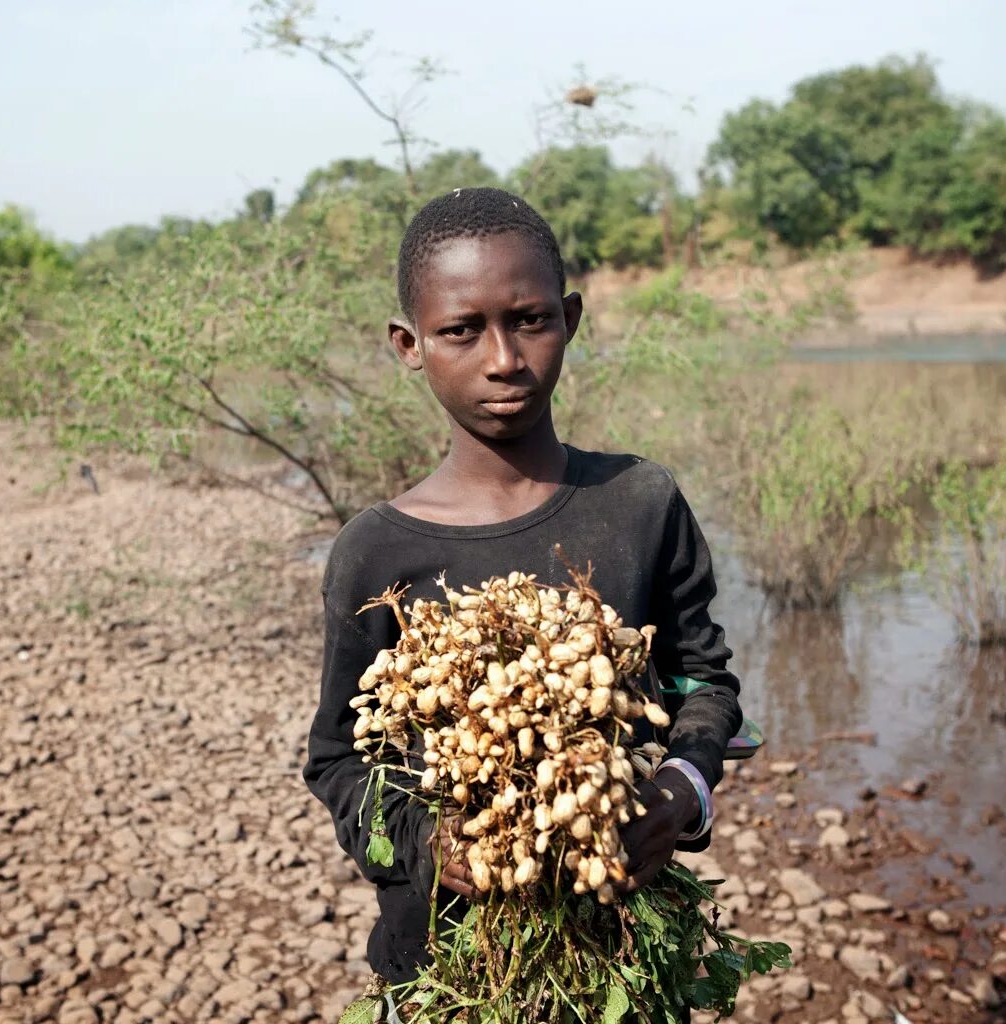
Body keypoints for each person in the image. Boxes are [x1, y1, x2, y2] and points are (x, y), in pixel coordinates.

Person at [302, 187, 743, 993]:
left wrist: (682, 791)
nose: (503, 358)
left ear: (569, 319)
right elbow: (338, 761)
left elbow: (702, 682)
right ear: (408, 344)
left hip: (619, 956)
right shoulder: (376, 552)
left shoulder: (640, 503)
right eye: (461, 330)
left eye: (530, 320)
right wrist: (426, 843)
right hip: (443, 968)